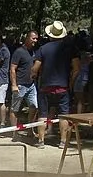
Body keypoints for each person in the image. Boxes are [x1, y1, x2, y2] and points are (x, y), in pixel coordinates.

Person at [32, 20, 77, 148]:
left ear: (50, 35)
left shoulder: (43, 49)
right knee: (64, 115)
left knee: (42, 115)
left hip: (46, 86)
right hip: (63, 87)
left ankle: (41, 141)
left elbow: (35, 68)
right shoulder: (70, 49)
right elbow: (77, 68)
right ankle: (63, 141)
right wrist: (71, 82)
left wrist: (34, 76)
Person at [10, 30, 39, 135]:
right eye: (33, 38)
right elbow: (12, 68)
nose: (35, 40)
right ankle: (14, 132)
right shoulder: (19, 52)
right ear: (27, 38)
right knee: (15, 109)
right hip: (20, 85)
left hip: (31, 84)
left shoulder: (34, 52)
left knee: (34, 106)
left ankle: (29, 129)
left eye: (36, 38)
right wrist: (14, 85)